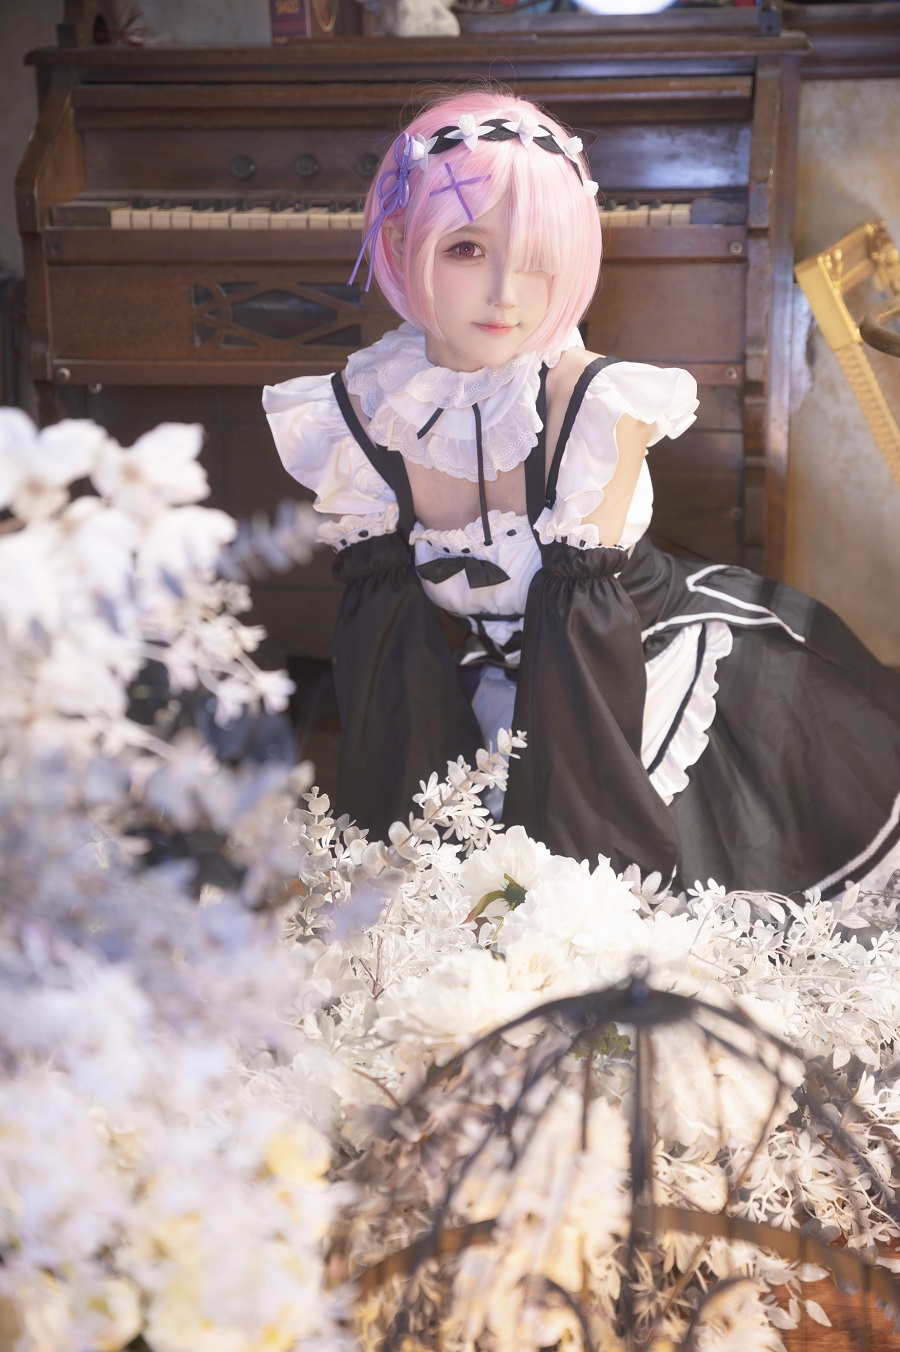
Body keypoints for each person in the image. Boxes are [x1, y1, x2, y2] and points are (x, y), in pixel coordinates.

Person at [264, 88, 900, 898]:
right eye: (466, 248)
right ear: (399, 241)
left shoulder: (594, 404)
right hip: (489, 702)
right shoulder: (355, 415)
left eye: (538, 256)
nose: (507, 292)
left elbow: (584, 667)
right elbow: (388, 665)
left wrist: (576, 906)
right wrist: (404, 869)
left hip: (626, 689)